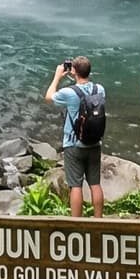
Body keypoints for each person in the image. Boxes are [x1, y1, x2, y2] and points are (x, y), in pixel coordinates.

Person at [45, 56, 106, 216]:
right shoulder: (99, 89)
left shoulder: (69, 93)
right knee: (95, 184)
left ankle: (76, 223)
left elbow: (49, 96)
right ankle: (99, 220)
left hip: (74, 145)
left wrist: (57, 76)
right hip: (94, 143)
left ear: (74, 72)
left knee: (76, 186)